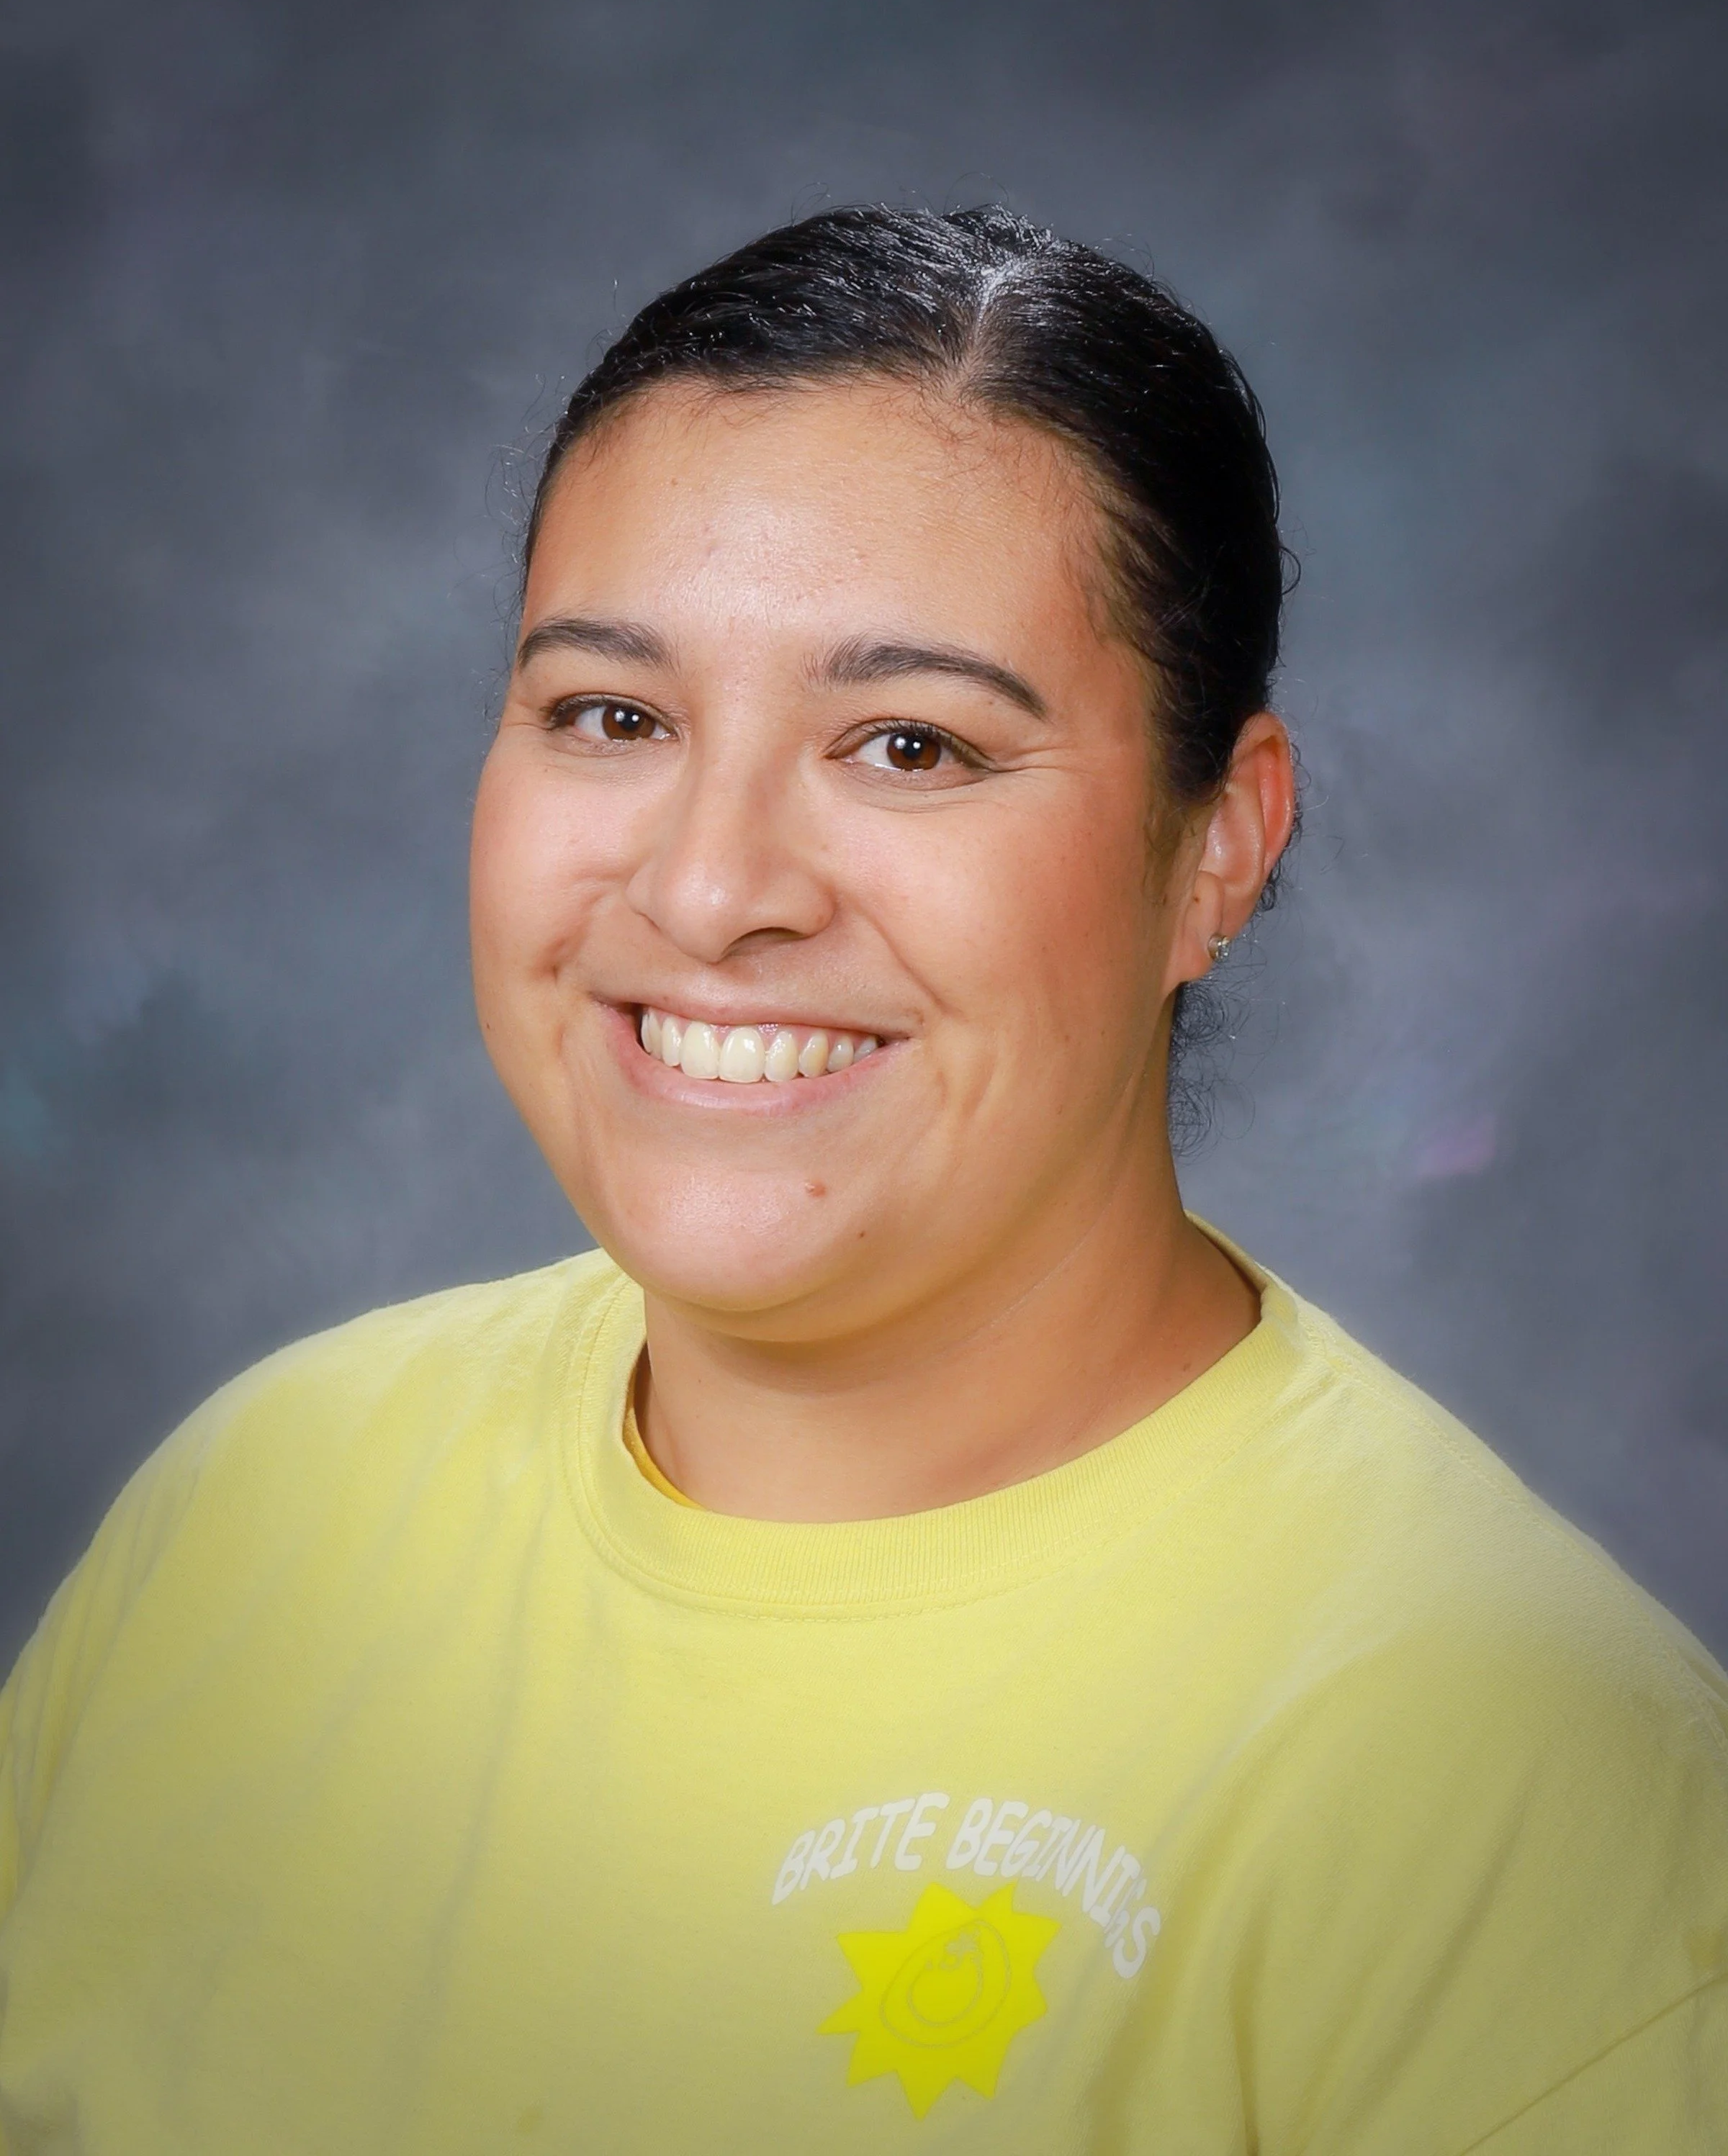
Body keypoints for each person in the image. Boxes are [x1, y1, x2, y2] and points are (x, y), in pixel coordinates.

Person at [1, 205, 1723, 2155]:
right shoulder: (253, 1516)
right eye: (613, 716)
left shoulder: (1512, 1786)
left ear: (1221, 846)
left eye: (909, 744)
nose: (713, 889)